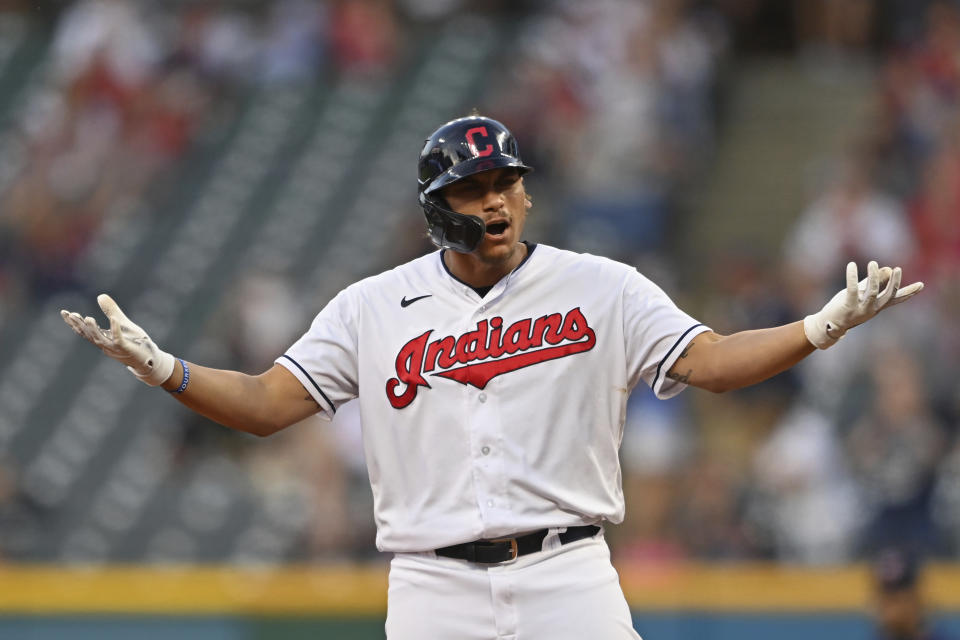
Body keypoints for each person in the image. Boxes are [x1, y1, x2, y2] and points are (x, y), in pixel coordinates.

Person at [60, 115, 924, 639]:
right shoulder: (373, 306)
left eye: (508, 180)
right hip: (432, 585)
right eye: (476, 188)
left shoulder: (600, 286)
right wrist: (165, 368)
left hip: (567, 571)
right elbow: (264, 404)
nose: (498, 201)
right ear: (439, 208)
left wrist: (819, 326)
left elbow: (713, 362)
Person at [872, 548, 954, 640]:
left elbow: (920, 625)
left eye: (893, 565)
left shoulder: (916, 593)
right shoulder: (880, 595)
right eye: (885, 565)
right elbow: (885, 627)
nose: (888, 570)